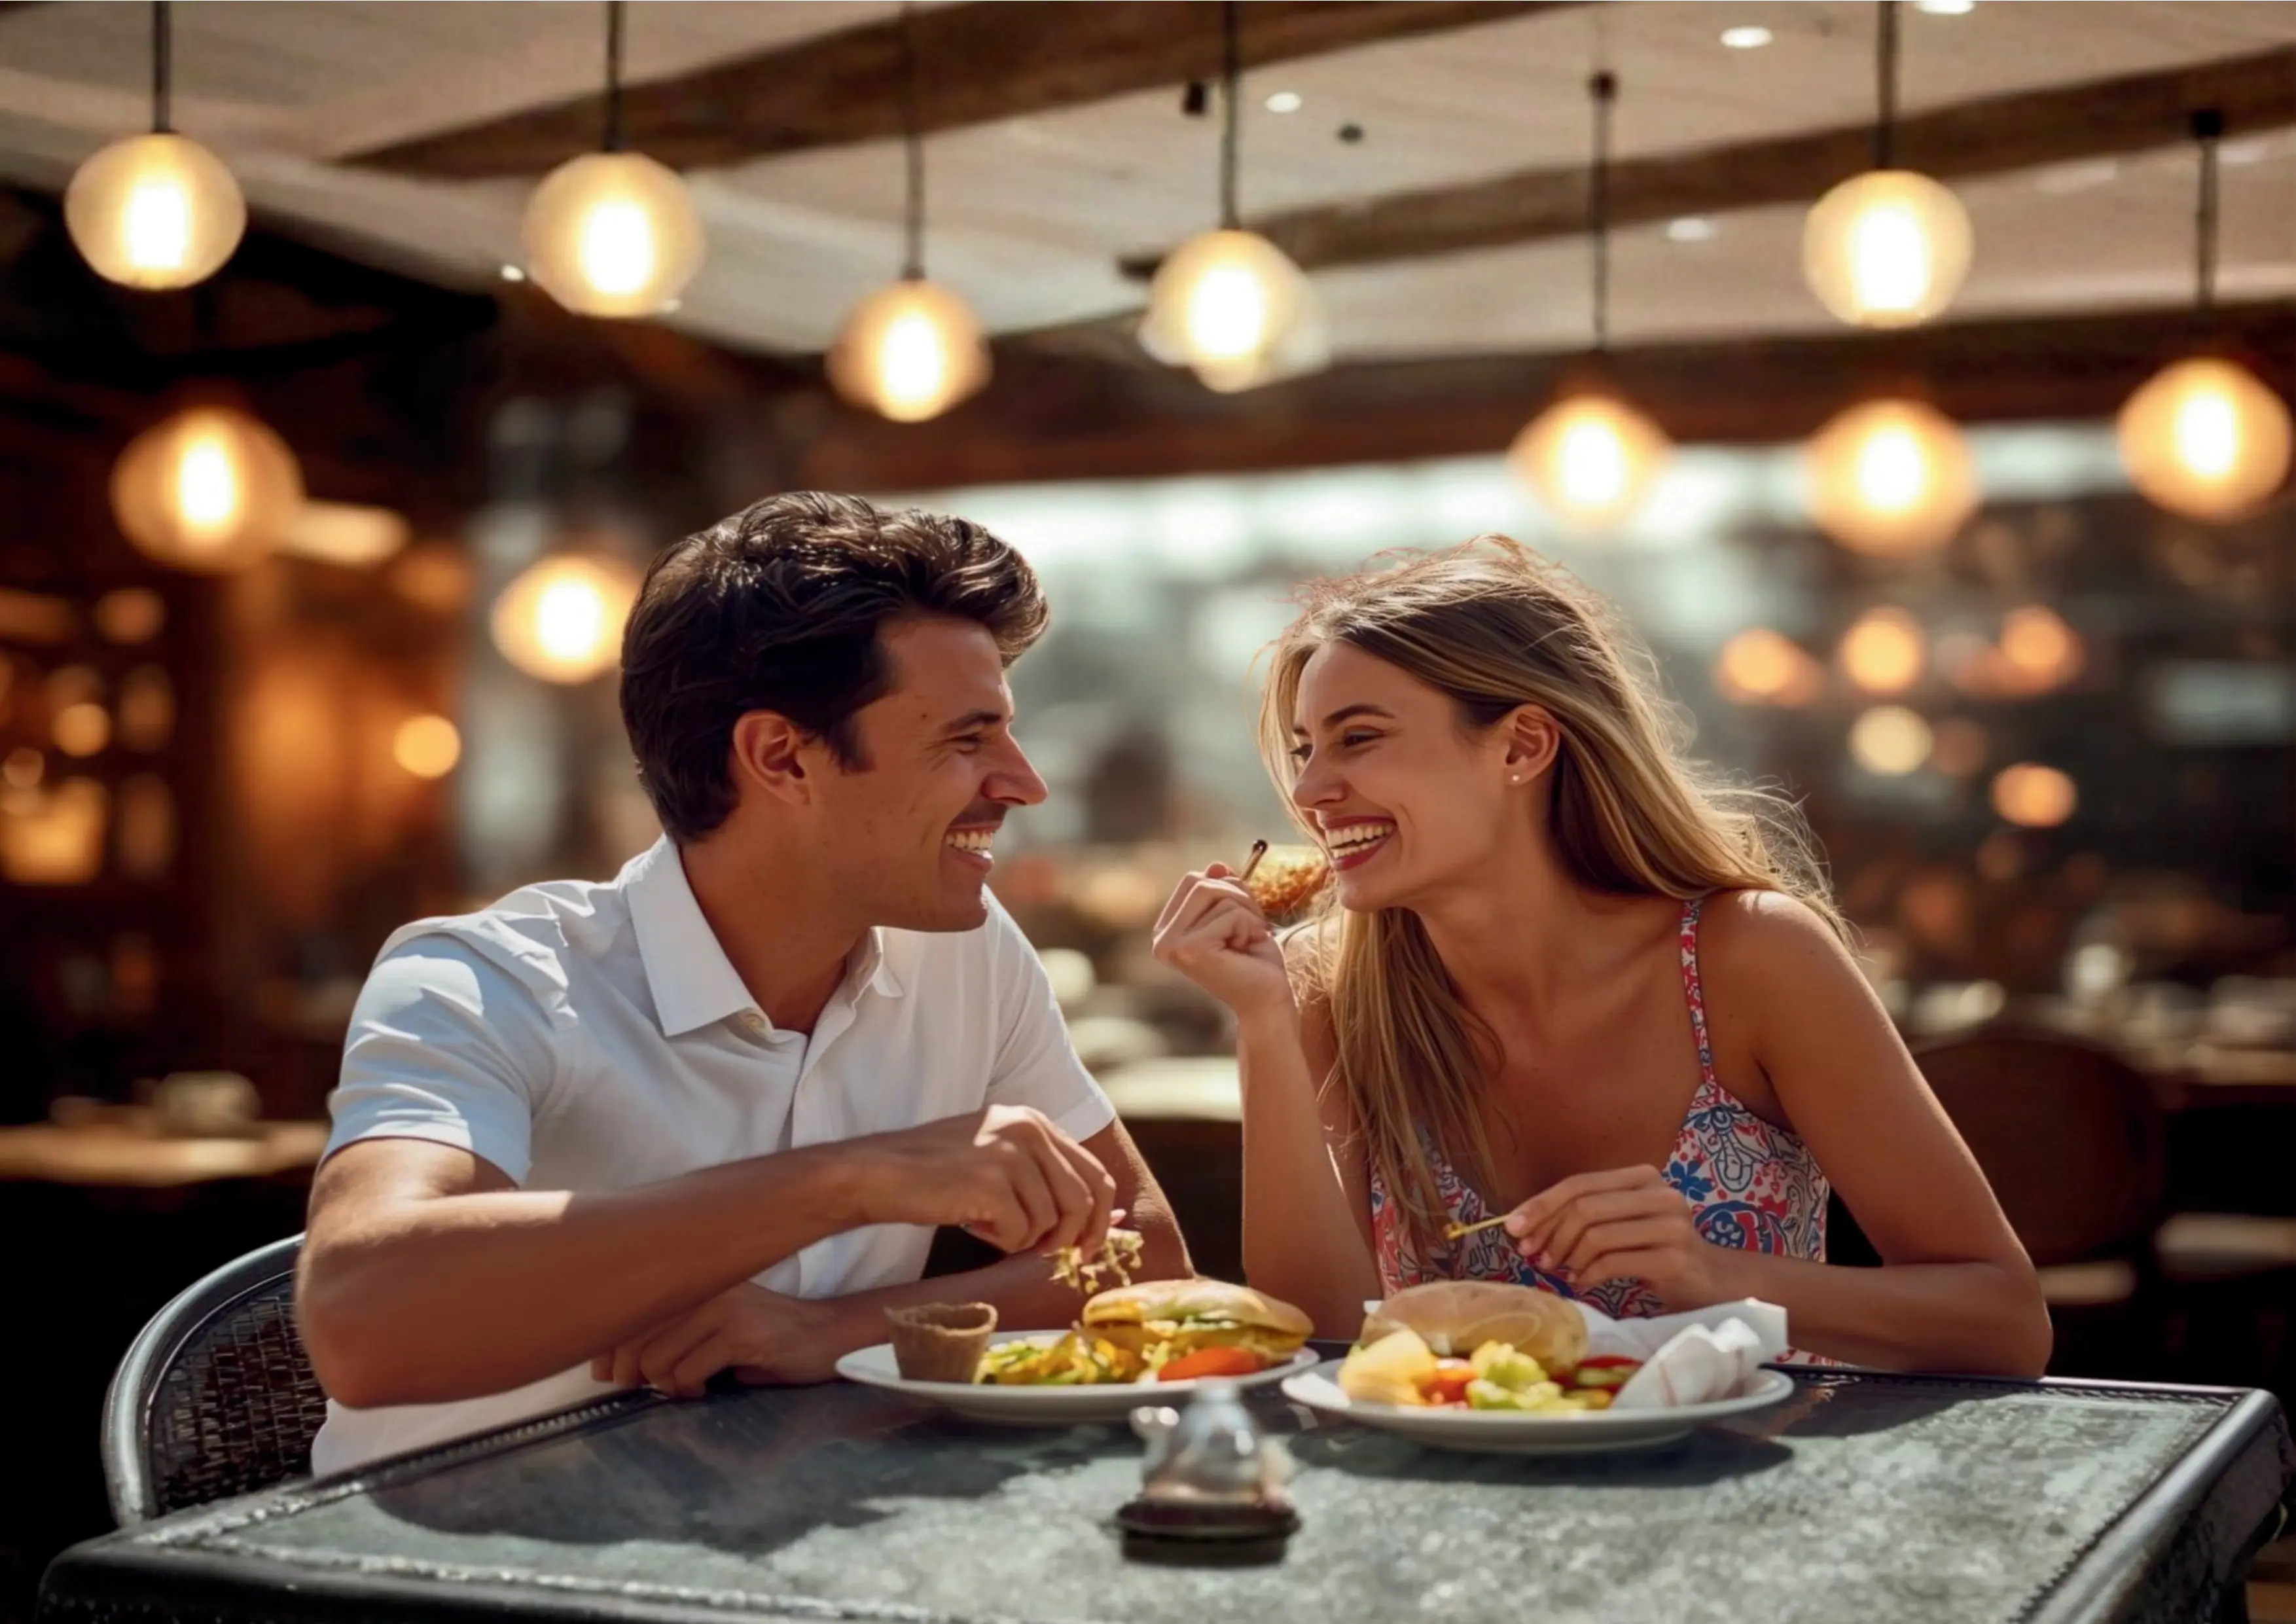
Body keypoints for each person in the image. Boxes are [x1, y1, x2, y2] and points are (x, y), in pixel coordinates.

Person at [298, 493, 1189, 1472]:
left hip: (782, 1539)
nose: (1025, 782)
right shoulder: (485, 979)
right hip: (445, 1573)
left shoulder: (970, 956)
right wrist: (859, 1179)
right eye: (966, 740)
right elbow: (362, 1320)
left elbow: (1140, 1255)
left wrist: (835, 1329)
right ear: (781, 758)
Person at [1153, 537, 2051, 1375]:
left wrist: (1715, 1276)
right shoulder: (1323, 991)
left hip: (1744, 1504)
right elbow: (1317, 1348)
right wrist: (1263, 1024)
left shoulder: (1753, 959)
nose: (1309, 791)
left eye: (1359, 738)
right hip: (1457, 1510)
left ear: (1523, 746)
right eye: (1307, 750)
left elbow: (2004, 1323)